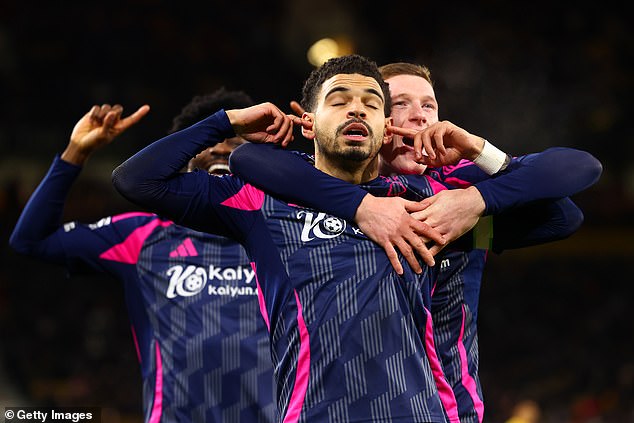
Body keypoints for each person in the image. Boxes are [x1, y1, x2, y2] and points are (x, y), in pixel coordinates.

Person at [112, 54, 490, 422]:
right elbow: (136, 180)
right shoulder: (261, 199)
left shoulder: (430, 203)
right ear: (308, 123)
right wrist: (225, 123)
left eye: (372, 105)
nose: (356, 110)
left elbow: (551, 207)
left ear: (385, 126)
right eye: (339, 101)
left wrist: (478, 190)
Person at [227, 62, 602, 423]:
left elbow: (566, 208)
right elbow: (248, 158)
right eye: (400, 103)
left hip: (447, 409)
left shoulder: (453, 194)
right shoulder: (312, 187)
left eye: (429, 106)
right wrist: (361, 206)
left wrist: (477, 172)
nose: (419, 116)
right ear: (377, 119)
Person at [9, 88, 277, 423]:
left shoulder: (288, 236)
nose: (222, 147)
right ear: (186, 155)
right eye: (210, 141)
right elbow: (32, 240)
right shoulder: (142, 237)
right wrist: (75, 153)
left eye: (236, 142)